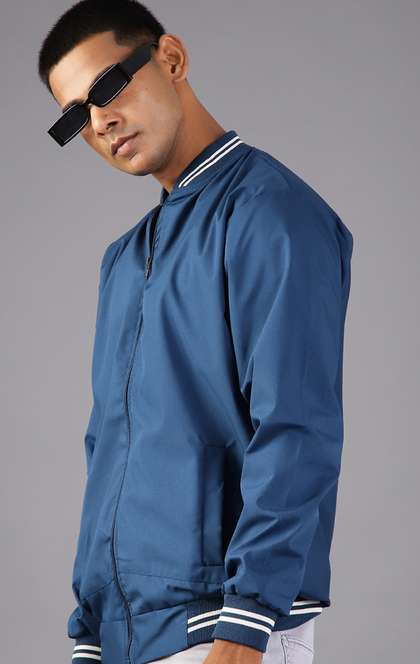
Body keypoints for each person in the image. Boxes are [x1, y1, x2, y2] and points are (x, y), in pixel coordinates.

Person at [37, 2, 353, 663]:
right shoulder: (125, 260)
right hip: (126, 638)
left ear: (171, 59)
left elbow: (296, 425)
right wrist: (89, 633)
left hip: (228, 627)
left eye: (108, 86)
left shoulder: (271, 213)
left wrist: (247, 624)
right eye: (76, 117)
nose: (100, 121)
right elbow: (108, 451)